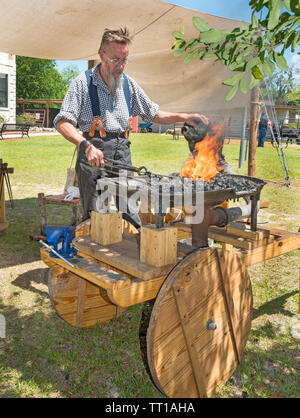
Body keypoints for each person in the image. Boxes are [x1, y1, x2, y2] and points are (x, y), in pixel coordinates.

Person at [54, 27, 209, 228]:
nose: (120, 66)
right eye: (115, 60)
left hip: (122, 153)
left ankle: (130, 252)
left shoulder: (128, 84)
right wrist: (86, 146)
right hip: (94, 153)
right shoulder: (83, 83)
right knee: (95, 216)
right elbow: (62, 122)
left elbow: (154, 114)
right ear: (101, 55)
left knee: (129, 212)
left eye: (125, 60)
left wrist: (184, 116)